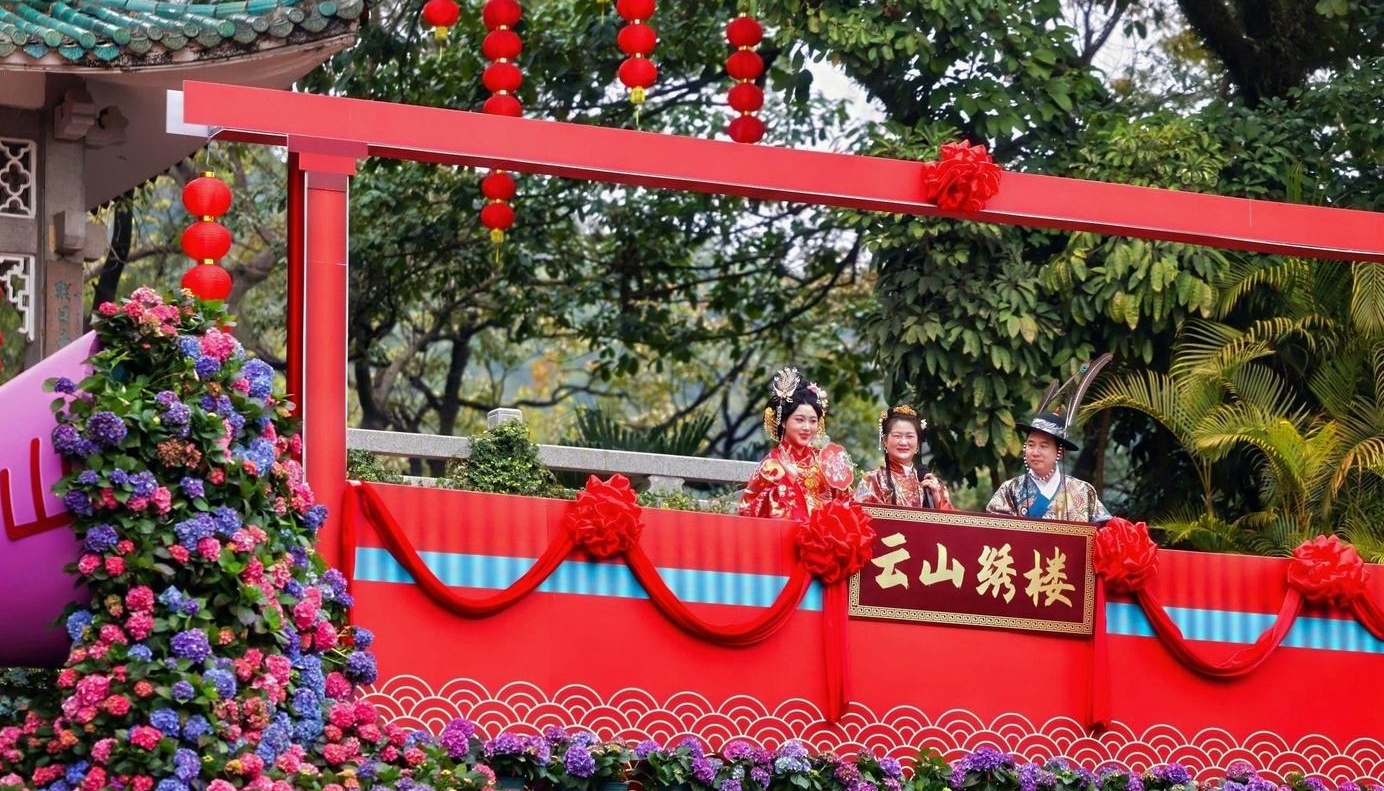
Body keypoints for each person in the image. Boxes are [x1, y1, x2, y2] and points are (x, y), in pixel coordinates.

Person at [738, 367, 853, 520]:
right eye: (799, 420)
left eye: (813, 421)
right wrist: (789, 481)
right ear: (784, 422)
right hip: (789, 538)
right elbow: (749, 510)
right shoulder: (771, 466)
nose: (807, 427)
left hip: (827, 537)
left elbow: (847, 502)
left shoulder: (824, 460)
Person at [985, 411, 1111, 524]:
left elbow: (1104, 533)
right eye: (1031, 444)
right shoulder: (1010, 489)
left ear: (1060, 452)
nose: (1035, 452)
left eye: (1043, 446)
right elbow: (994, 534)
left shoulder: (1083, 491)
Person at [855, 404, 955, 510]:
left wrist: (937, 500)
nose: (903, 442)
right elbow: (859, 518)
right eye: (897, 436)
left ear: (918, 443)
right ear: (885, 441)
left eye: (910, 436)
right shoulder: (872, 480)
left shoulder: (933, 484)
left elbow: (952, 524)